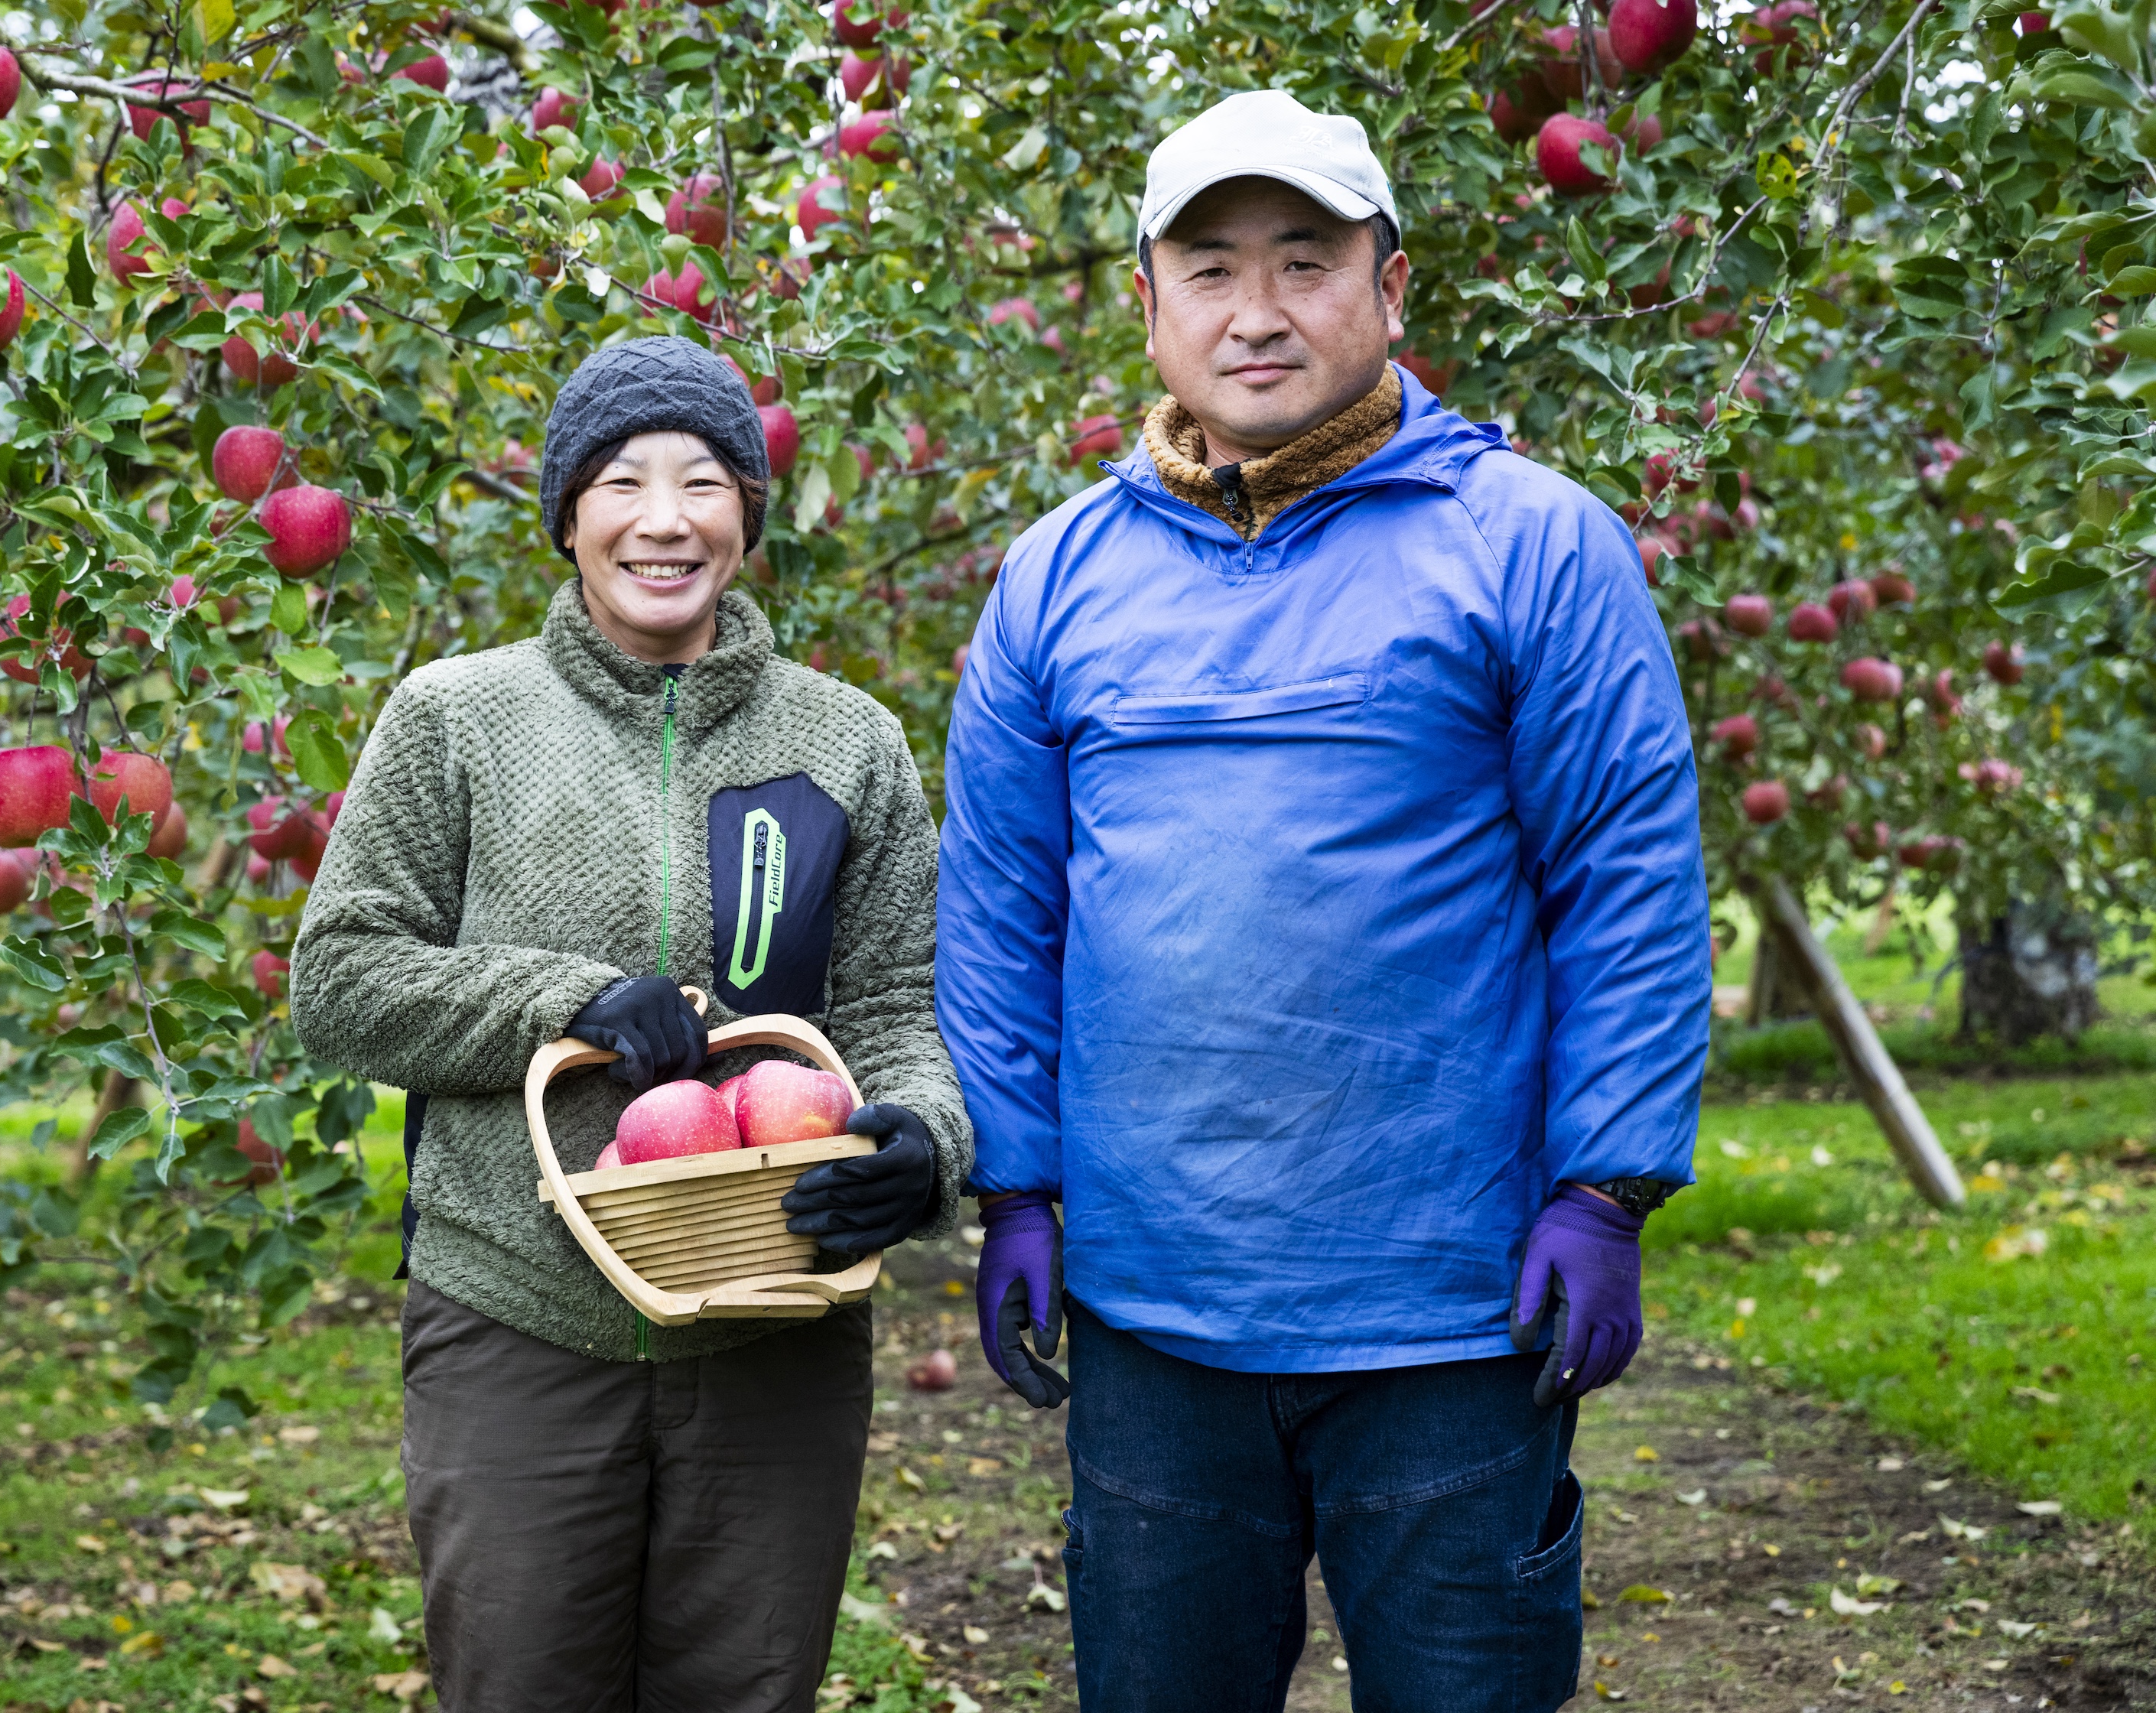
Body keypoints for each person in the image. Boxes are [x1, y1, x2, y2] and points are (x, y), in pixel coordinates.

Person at [935, 90, 1712, 1712]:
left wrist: (1608, 1185)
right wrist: (1016, 1182)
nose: (1261, 310)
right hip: (1154, 1313)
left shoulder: (1537, 548)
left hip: (1446, 1308)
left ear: (1394, 286)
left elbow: (1626, 880)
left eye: (1307, 258)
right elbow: (1003, 909)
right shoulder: (1057, 578)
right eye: (1212, 267)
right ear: (1147, 304)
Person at [290, 334, 971, 1712]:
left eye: (706, 481)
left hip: (777, 1316)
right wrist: (567, 1000)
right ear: (568, 518)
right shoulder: (456, 722)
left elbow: (900, 1007)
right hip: (517, 1321)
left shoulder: (849, 744)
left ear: (749, 517)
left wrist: (927, 1143)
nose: (665, 519)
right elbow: (344, 981)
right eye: (621, 482)